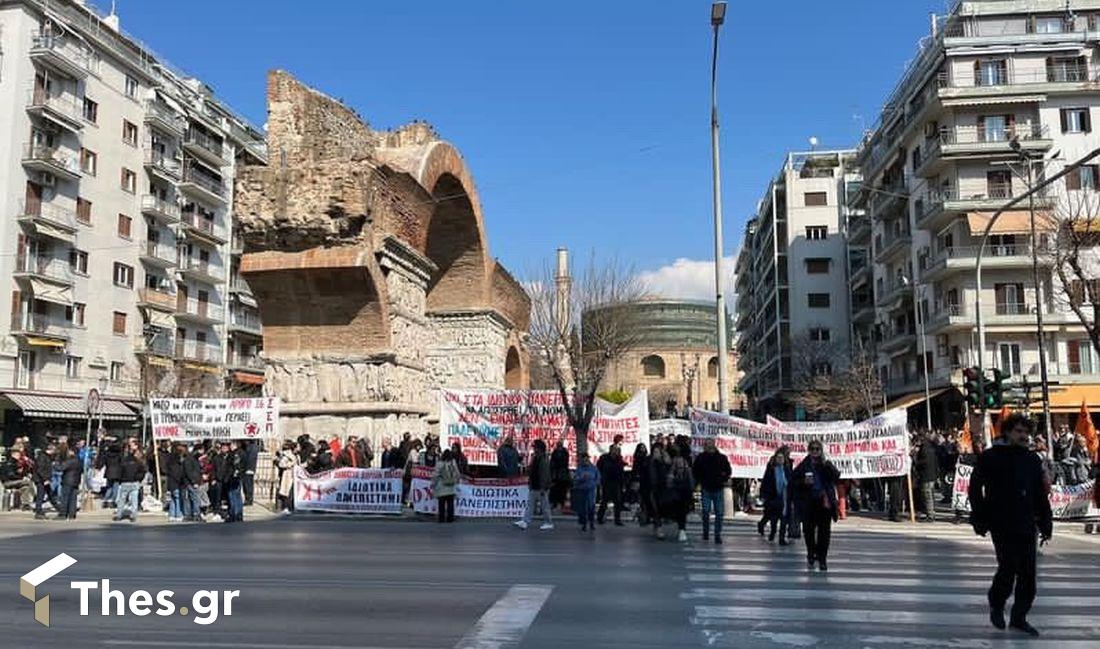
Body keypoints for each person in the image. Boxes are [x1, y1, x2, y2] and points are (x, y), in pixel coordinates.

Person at [968, 413, 1052, 638]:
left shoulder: (1032, 460)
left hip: (1026, 522)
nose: (1023, 436)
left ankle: (1019, 617)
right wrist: (979, 516)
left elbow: (1039, 494)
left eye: (1026, 432)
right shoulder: (991, 457)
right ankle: (997, 603)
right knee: (1008, 567)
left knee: (1028, 574)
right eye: (1018, 431)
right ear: (1007, 432)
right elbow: (975, 488)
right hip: (1001, 521)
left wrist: (1046, 521)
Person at [791, 439, 841, 571]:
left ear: (821, 451)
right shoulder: (804, 465)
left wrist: (826, 464)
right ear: (809, 450)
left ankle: (822, 558)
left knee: (824, 532)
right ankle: (811, 553)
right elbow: (793, 480)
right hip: (809, 502)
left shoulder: (826, 464)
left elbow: (836, 476)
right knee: (808, 530)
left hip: (824, 502)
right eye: (812, 449)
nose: (815, 451)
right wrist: (803, 482)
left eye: (817, 449)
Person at [693, 438, 732, 544]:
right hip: (706, 488)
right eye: (707, 445)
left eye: (711, 444)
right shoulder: (700, 458)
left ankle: (717, 534)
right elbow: (695, 471)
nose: (709, 447)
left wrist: (722, 479)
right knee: (705, 512)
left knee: (719, 513)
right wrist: (700, 481)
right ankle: (706, 531)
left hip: (718, 488)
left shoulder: (722, 458)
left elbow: (728, 471)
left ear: (714, 445)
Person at [515, 439, 553, 531]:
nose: (534, 449)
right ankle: (525, 521)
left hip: (541, 487)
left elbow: (544, 474)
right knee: (530, 505)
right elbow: (533, 471)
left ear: (539, 448)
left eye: (535, 447)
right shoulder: (536, 458)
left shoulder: (543, 459)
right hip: (534, 485)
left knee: (544, 506)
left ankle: (548, 522)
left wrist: (543, 487)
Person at [758, 446, 792, 544]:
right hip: (773, 497)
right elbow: (765, 482)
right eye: (779, 458)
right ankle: (772, 532)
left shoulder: (787, 469)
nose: (780, 460)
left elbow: (791, 481)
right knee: (773, 518)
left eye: (782, 458)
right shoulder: (772, 469)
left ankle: (781, 538)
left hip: (784, 498)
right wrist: (764, 495)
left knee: (784, 519)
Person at [661, 446, 694, 542]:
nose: (679, 464)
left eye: (681, 463)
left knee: (682, 512)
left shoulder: (687, 470)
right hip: (675, 495)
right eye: (677, 463)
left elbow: (691, 483)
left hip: (684, 494)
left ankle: (682, 529)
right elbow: (669, 483)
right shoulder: (673, 470)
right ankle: (680, 528)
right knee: (678, 512)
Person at [114, 438, 145, 522]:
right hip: (134, 482)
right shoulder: (138, 461)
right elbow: (142, 471)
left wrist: (121, 479)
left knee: (122, 500)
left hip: (125, 482)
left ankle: (118, 515)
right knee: (134, 500)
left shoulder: (124, 461)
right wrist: (138, 479)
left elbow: (120, 471)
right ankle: (133, 515)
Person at [596, 445, 625, 526]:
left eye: (617, 450)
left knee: (617, 502)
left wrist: (622, 483)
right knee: (604, 501)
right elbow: (599, 468)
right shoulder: (604, 458)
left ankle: (617, 520)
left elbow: (621, 471)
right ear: (611, 450)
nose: (615, 451)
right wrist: (601, 479)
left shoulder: (619, 459)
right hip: (607, 482)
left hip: (616, 482)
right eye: (614, 450)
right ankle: (600, 518)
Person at [915, 432, 940, 522]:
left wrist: (916, 462)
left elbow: (925, 461)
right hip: (931, 475)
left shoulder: (924, 449)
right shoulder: (931, 448)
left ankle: (930, 515)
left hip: (926, 475)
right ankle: (931, 513)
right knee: (930, 496)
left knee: (927, 496)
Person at [649, 439, 671, 538]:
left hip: (663, 488)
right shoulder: (649, 461)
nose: (656, 453)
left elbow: (669, 469)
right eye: (655, 451)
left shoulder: (664, 462)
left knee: (661, 508)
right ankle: (658, 528)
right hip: (651, 488)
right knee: (655, 508)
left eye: (658, 451)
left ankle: (657, 525)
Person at [572, 453, 600, 531]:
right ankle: (584, 524)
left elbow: (598, 478)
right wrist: (581, 478)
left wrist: (594, 483)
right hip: (582, 490)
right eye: (583, 460)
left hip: (591, 490)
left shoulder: (594, 468)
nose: (585, 461)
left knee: (591, 507)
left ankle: (591, 523)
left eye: (586, 459)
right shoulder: (579, 469)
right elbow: (575, 479)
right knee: (582, 508)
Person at [432, 449, 460, 523]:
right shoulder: (453, 463)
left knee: (441, 504)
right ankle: (450, 518)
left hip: (441, 486)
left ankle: (441, 518)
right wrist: (456, 481)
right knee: (450, 504)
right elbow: (457, 473)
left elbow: (435, 475)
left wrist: (433, 484)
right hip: (451, 486)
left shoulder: (439, 463)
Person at [31, 445, 59, 520]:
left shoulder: (46, 457)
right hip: (41, 480)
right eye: (54, 450)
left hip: (44, 479)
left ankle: (59, 508)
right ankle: (38, 511)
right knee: (41, 495)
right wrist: (45, 479)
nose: (54, 452)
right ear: (50, 450)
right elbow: (40, 470)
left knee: (50, 494)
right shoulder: (42, 457)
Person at [56, 443, 81, 520]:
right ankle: (72, 514)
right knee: (73, 499)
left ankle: (62, 514)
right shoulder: (79, 460)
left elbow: (61, 468)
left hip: (68, 481)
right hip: (76, 481)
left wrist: (55, 464)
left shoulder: (70, 460)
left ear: (72, 452)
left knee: (65, 498)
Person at [224, 441, 245, 522]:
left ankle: (234, 514)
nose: (230, 446)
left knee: (233, 496)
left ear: (234, 445)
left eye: (231, 445)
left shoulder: (235, 454)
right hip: (236, 477)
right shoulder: (240, 452)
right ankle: (238, 514)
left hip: (233, 477)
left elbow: (236, 466)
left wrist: (232, 475)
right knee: (237, 496)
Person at [632, 443, 653, 526]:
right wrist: (636, 480)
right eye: (641, 447)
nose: (643, 449)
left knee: (646, 500)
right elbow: (636, 470)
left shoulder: (647, 458)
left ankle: (646, 517)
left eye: (644, 447)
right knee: (643, 500)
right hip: (641, 481)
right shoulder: (638, 458)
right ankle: (644, 518)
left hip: (647, 481)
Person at [275, 441, 298, 513]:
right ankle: (285, 507)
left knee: (290, 492)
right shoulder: (287, 456)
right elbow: (281, 464)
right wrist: (290, 465)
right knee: (286, 492)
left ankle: (290, 507)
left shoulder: (295, 455)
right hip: (287, 475)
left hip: (292, 475)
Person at [549, 441, 571, 511]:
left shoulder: (564, 453)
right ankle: (555, 504)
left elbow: (564, 463)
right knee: (555, 491)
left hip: (562, 476)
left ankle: (560, 504)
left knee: (562, 491)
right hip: (556, 475)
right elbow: (552, 463)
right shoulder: (555, 453)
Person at [242, 440, 259, 506]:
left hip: (248, 469)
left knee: (247, 485)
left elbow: (248, 459)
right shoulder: (254, 447)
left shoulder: (250, 448)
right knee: (249, 485)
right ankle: (249, 499)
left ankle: (248, 499)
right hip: (251, 468)